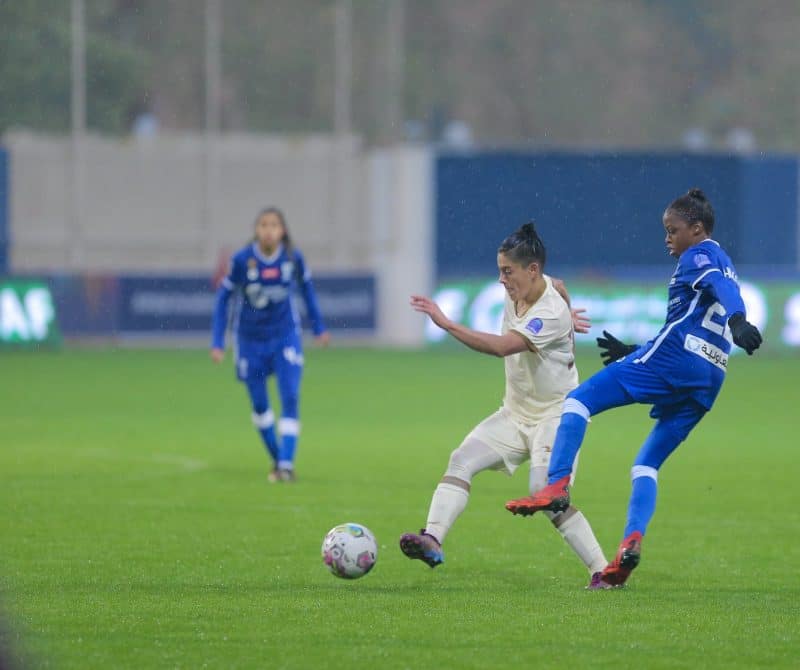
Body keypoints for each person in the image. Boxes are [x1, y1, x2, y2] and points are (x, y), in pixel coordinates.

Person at [505, 188, 762, 588]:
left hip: (676, 359)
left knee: (577, 401)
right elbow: (703, 306)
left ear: (696, 229)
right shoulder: (723, 261)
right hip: (710, 376)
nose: (667, 238)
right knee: (645, 465)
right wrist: (634, 352)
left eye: (673, 230)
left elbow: (724, 296)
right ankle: (629, 545)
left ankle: (555, 485)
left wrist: (738, 320)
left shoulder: (700, 255)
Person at [400, 222, 609, 584]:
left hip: (556, 417)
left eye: (507, 271)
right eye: (499, 270)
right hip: (515, 414)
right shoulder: (539, 288)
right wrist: (570, 321)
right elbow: (559, 285)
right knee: (461, 460)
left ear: (532, 270)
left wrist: (446, 323)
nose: (501, 280)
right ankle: (432, 538)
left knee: (544, 492)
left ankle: (603, 571)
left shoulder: (549, 312)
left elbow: (500, 347)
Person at [211, 207, 330, 482]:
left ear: (282, 231)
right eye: (263, 225)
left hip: (284, 335)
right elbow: (222, 299)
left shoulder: (292, 258)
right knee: (260, 406)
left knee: (290, 396)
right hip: (249, 340)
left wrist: (319, 327)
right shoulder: (242, 260)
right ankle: (279, 460)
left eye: (274, 225)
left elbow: (307, 291)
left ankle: (286, 464)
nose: (268, 230)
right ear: (256, 230)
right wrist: (218, 341)